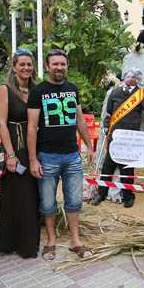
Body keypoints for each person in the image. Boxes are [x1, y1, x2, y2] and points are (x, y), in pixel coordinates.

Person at [26, 49, 94, 261]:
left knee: (74, 201)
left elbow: (80, 120)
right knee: (48, 203)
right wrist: (33, 159)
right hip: (47, 156)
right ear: (47, 67)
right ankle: (51, 240)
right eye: (55, 64)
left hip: (72, 156)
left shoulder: (72, 89)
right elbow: (31, 127)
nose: (59, 68)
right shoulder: (38, 91)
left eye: (62, 64)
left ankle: (75, 241)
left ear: (67, 66)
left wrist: (89, 146)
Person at [92, 67, 144, 207]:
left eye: (133, 77)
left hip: (130, 138)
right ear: (124, 77)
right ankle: (101, 193)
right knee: (108, 166)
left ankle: (128, 196)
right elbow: (109, 112)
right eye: (128, 76)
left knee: (127, 168)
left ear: (137, 80)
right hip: (115, 136)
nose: (130, 79)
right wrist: (107, 126)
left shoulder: (141, 94)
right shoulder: (114, 92)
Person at [0, 49, 40, 258]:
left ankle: (29, 242)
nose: (26, 68)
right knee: (15, 196)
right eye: (22, 64)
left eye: (29, 64)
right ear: (13, 67)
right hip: (14, 147)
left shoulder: (35, 90)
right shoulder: (5, 90)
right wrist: (10, 154)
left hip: (33, 147)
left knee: (31, 195)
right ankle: (12, 242)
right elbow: (1, 122)